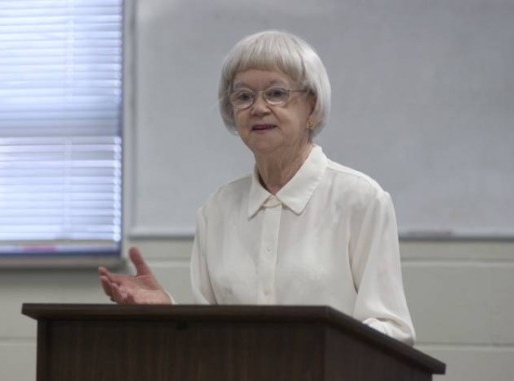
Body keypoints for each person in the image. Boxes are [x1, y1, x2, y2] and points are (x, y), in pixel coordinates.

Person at [99, 30, 416, 346]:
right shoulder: (216, 211)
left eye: (277, 93)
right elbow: (210, 337)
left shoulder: (360, 200)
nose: (259, 108)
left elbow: (391, 328)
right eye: (244, 96)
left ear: (312, 106)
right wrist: (167, 311)